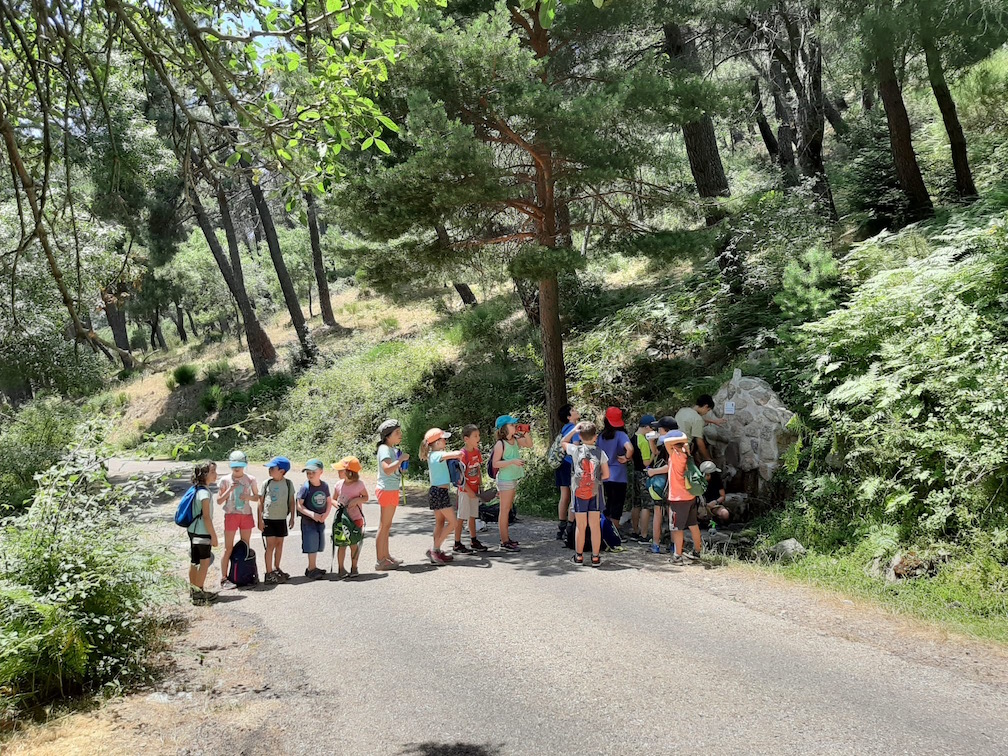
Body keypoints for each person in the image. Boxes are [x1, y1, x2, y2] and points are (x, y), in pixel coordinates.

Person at [564, 422, 609, 567]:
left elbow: (562, 442)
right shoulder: (600, 453)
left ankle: (579, 557)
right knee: (595, 526)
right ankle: (595, 558)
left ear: (580, 436)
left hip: (578, 493)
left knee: (580, 526)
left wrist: (573, 430)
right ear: (595, 437)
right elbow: (606, 475)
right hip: (595, 494)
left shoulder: (575, 450)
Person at [419, 427, 464, 565]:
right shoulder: (437, 455)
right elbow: (452, 454)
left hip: (436, 492)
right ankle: (435, 549)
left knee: (440, 522)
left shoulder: (434, 455)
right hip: (439, 493)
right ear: (437, 443)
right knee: (453, 523)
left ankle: (436, 551)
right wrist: (459, 453)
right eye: (443, 439)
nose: (445, 441)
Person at [491, 414, 533, 551]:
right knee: (504, 510)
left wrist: (525, 433)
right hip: (505, 480)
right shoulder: (500, 444)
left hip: (512, 478)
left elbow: (529, 444)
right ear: (504, 429)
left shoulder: (515, 440)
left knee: (507, 509)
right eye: (511, 425)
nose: (514, 426)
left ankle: (506, 539)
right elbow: (495, 463)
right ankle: (504, 541)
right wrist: (512, 462)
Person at [217, 450, 259, 588]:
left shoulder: (251, 479)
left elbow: (257, 497)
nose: (237, 468)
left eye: (240, 465)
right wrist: (229, 490)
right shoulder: (225, 480)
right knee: (228, 548)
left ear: (244, 465)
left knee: (245, 545)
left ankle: (244, 574)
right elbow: (218, 501)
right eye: (234, 466)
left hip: (246, 515)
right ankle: (224, 578)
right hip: (230, 515)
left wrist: (248, 497)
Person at [664, 430, 705, 565]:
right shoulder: (687, 455)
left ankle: (677, 556)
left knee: (677, 528)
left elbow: (666, 442)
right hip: (690, 496)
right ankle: (697, 551)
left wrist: (675, 439)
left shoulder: (676, 456)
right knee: (693, 524)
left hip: (678, 498)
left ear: (674, 445)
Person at [375, 418, 408, 571]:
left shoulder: (390, 449)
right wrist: (400, 460)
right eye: (397, 433)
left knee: (387, 526)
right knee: (384, 526)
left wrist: (400, 466)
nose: (400, 435)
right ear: (388, 435)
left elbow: (392, 469)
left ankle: (386, 556)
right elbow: (387, 469)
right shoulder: (384, 449)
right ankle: (380, 560)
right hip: (386, 490)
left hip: (391, 489)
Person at [258, 456, 295, 584]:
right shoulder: (266, 483)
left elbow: (291, 501)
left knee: (279, 544)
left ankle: (276, 568)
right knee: (270, 546)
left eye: (272, 468)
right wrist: (260, 519)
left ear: (282, 471)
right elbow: (260, 502)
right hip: (268, 519)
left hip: (281, 519)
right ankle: (268, 573)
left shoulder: (288, 484)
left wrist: (292, 518)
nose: (269, 470)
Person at [597, 407, 633, 535]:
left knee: (607, 504)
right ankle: (614, 533)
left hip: (604, 475)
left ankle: (604, 531)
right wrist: (627, 458)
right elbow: (630, 448)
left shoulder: (601, 436)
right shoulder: (621, 435)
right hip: (619, 476)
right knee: (617, 505)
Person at [187, 461, 219, 605]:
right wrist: (213, 536)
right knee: (204, 562)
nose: (215, 474)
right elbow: (206, 517)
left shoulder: (195, 490)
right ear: (204, 475)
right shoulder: (205, 493)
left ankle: (193, 590)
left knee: (194, 561)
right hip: (202, 533)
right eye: (213, 471)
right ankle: (199, 594)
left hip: (192, 531)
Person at [454, 424, 489, 553]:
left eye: (478, 435)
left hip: (475, 490)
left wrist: (480, 485)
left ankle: (474, 540)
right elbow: (460, 476)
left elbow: (478, 469)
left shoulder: (477, 452)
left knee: (473, 515)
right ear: (466, 439)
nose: (478, 438)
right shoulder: (462, 455)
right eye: (475, 436)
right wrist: (468, 490)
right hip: (465, 491)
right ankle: (457, 543)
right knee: (462, 516)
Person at [296, 458, 334, 579]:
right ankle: (312, 568)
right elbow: (299, 505)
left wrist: (326, 514)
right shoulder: (305, 487)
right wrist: (312, 514)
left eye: (313, 472)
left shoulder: (324, 486)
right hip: (308, 521)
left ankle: (312, 567)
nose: (310, 475)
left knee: (318, 543)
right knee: (311, 542)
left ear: (321, 472)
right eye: (308, 473)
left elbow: (329, 501)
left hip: (320, 520)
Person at [645, 416, 676, 552]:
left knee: (664, 514)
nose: (657, 430)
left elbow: (670, 466)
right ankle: (671, 545)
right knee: (669, 514)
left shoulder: (671, 445)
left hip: (666, 484)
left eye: (659, 428)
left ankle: (658, 545)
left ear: (665, 430)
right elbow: (657, 453)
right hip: (669, 484)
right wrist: (652, 441)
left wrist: (653, 472)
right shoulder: (672, 443)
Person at [334, 457, 368, 578]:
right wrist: (337, 505)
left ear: (349, 472)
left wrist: (357, 500)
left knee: (354, 544)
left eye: (340, 470)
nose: (338, 472)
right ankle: (341, 568)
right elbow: (333, 500)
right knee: (341, 545)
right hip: (342, 520)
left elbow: (366, 497)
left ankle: (354, 567)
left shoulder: (359, 485)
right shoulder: (338, 485)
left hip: (356, 519)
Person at [553, 403, 581, 540]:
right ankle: (570, 527)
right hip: (571, 465)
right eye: (574, 410)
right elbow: (575, 448)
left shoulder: (565, 428)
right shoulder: (575, 429)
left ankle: (561, 526)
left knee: (564, 496)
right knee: (573, 496)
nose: (577, 411)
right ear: (569, 416)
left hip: (561, 464)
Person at [629, 414, 656, 541]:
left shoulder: (633, 437)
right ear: (646, 427)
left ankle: (635, 531)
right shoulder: (644, 441)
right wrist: (655, 454)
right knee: (646, 506)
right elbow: (646, 463)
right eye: (652, 428)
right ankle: (644, 535)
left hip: (635, 472)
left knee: (636, 504)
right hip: (645, 474)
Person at [675, 394, 717, 462]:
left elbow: (691, 420)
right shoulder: (697, 419)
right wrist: (708, 459)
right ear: (705, 406)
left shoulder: (683, 410)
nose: (706, 413)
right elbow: (699, 443)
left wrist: (714, 421)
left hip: (671, 443)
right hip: (683, 448)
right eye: (708, 410)